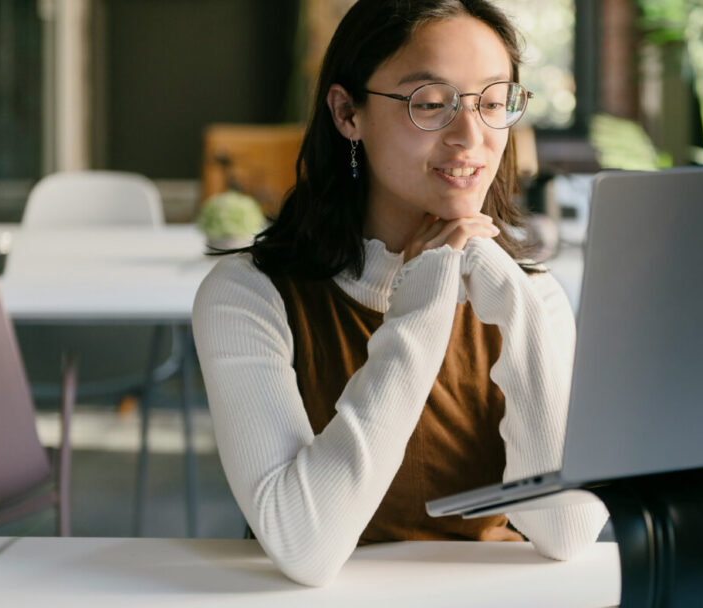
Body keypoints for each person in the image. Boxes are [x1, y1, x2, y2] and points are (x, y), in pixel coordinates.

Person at [192, 0, 607, 587]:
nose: (472, 137)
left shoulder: (532, 298)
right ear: (346, 112)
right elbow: (305, 547)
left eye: (493, 104)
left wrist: (516, 306)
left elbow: (565, 533)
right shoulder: (248, 296)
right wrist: (426, 298)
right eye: (431, 104)